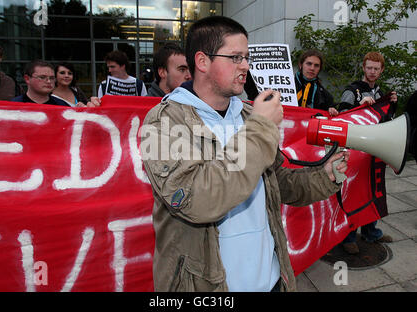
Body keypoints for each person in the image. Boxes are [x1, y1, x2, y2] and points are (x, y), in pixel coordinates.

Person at [141, 16, 349, 292]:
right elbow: (196, 201)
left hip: (272, 280)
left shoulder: (248, 114)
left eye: (246, 57)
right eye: (235, 57)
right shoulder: (161, 122)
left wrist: (324, 177)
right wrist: (260, 129)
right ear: (202, 62)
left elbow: (278, 183)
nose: (246, 66)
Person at [338, 51, 396, 255]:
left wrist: (392, 104)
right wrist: (359, 107)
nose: (372, 71)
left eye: (376, 68)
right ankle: (348, 237)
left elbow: (386, 120)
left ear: (381, 70)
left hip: (374, 150)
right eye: (369, 67)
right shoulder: (351, 90)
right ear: (363, 68)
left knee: (373, 190)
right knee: (353, 193)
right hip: (355, 152)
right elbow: (340, 117)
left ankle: (371, 232)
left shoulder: (380, 92)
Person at [295, 49, 337, 116]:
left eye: (316, 65)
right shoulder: (287, 86)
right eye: (309, 64)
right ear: (301, 65)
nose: (312, 68)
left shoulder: (325, 95)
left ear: (319, 69)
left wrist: (332, 111)